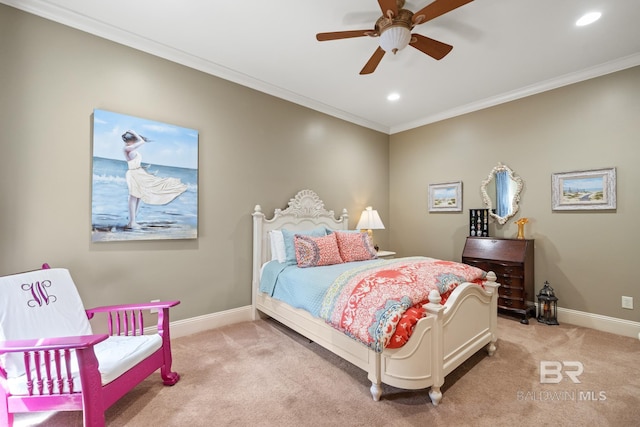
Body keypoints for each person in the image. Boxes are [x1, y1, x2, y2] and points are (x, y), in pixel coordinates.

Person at [122, 130, 187, 229]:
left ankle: (133, 221)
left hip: (138, 173)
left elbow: (140, 143)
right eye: (132, 139)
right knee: (134, 196)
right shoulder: (128, 148)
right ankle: (132, 222)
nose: (132, 141)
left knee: (139, 196)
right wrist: (134, 133)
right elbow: (142, 141)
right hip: (134, 173)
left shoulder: (131, 148)